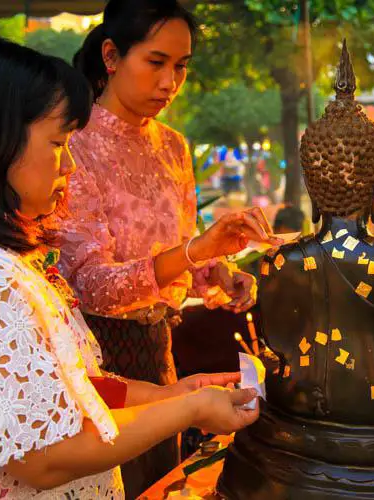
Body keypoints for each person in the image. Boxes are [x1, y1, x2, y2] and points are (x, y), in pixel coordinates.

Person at [0, 38, 259, 499]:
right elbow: (47, 457)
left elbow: (69, 391)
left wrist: (177, 394)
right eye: (58, 143)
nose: (69, 165)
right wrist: (189, 410)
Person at [60, 1, 278, 495]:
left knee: (166, 482)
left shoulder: (175, 147)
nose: (169, 82)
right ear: (111, 56)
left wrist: (218, 272)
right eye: (156, 62)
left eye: (181, 66)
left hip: (161, 347)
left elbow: (179, 259)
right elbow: (93, 286)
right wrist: (198, 251)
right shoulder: (73, 144)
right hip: (96, 352)